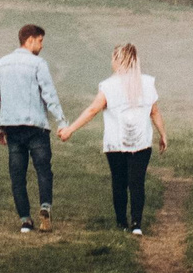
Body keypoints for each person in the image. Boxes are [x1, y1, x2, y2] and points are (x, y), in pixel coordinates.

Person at [58, 43, 165, 235]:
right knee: (137, 182)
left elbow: (92, 110)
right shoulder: (147, 83)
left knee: (119, 181)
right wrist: (163, 135)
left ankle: (121, 222)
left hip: (115, 143)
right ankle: (137, 224)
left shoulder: (109, 86)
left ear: (117, 59)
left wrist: (70, 130)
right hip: (142, 143)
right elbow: (154, 112)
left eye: (112, 58)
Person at [0, 23, 65, 233]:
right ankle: (45, 207)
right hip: (36, 126)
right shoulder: (38, 64)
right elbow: (49, 94)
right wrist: (61, 121)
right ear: (29, 39)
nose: (41, 46)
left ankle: (25, 220)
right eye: (40, 41)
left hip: (12, 128)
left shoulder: (1, 64)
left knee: (17, 174)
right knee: (43, 170)